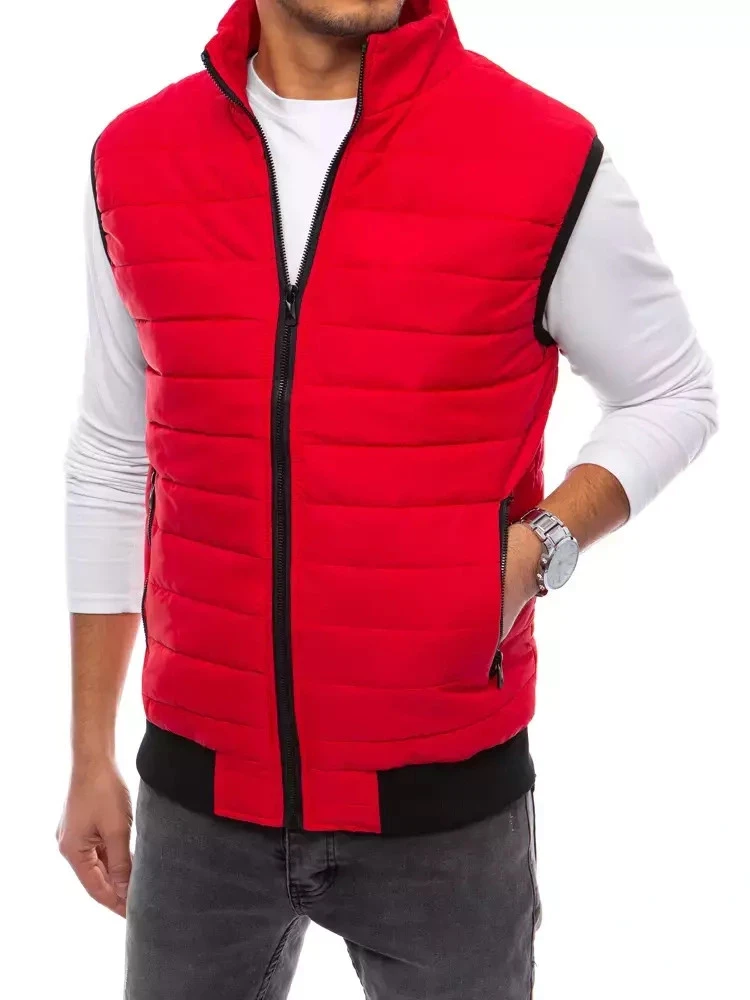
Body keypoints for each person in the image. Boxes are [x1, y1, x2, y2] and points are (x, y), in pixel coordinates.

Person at [58, 1, 718, 997]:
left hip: (444, 810)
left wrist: (543, 543)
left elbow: (673, 391)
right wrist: (89, 753)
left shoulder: (541, 155)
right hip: (198, 801)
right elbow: (113, 455)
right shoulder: (136, 160)